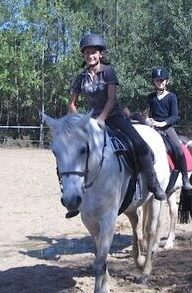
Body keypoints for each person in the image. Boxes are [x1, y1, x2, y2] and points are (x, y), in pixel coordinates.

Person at [68, 34, 166, 215]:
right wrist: (81, 120)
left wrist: (101, 118)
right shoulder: (80, 77)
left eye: (94, 52)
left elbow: (111, 99)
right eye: (87, 53)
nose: (90, 56)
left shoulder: (108, 72)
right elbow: (72, 104)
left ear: (100, 54)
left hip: (113, 116)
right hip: (90, 120)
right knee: (72, 152)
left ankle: (153, 183)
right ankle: (75, 196)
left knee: (139, 144)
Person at [145, 67, 192, 191]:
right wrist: (148, 120)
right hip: (153, 127)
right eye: (157, 80)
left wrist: (162, 123)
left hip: (166, 127)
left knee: (178, 148)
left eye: (162, 80)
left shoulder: (171, 97)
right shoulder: (151, 97)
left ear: (167, 81)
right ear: (153, 82)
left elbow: (174, 116)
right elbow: (147, 112)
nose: (160, 82)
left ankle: (185, 178)